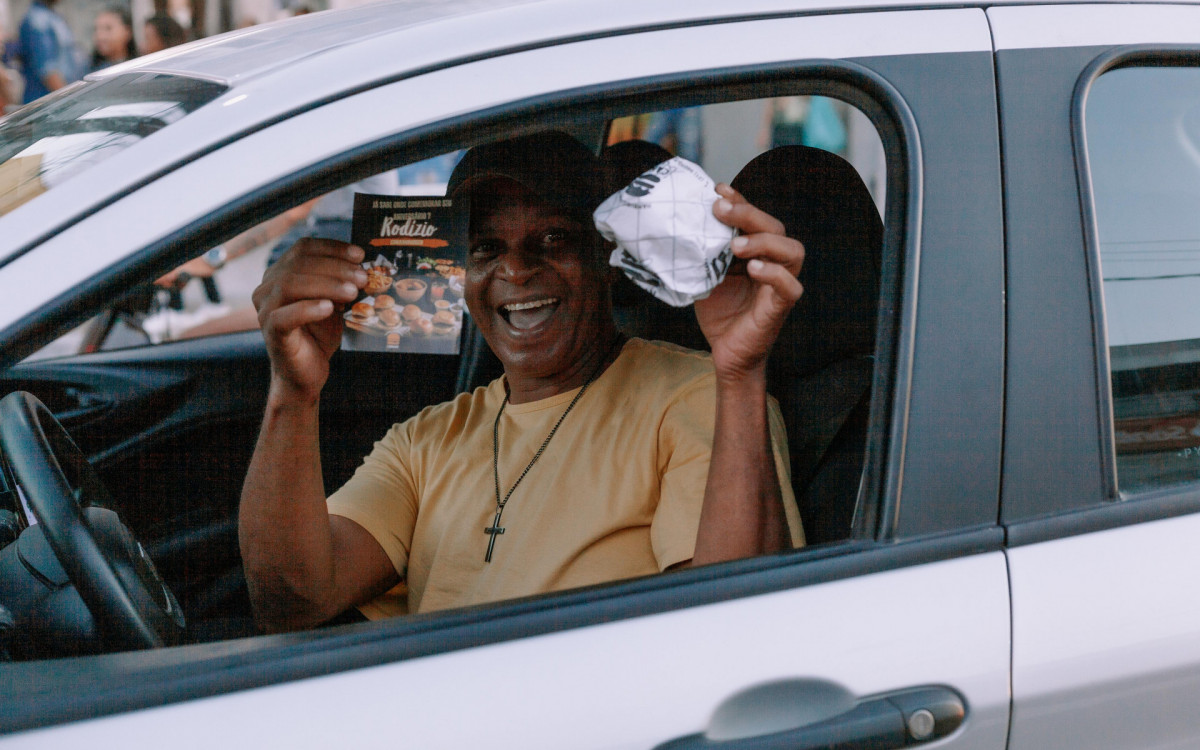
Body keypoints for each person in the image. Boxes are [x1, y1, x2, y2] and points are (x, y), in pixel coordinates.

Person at [240, 132, 806, 631]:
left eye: (553, 239)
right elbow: (293, 603)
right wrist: (293, 395)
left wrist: (741, 372)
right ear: (459, 275)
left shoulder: (698, 396)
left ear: (603, 254)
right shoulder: (426, 439)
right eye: (487, 248)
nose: (515, 270)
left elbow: (730, 631)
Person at [17, 0, 82, 103]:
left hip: (59, 100)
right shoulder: (37, 20)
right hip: (49, 104)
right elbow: (48, 71)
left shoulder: (52, 15)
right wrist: (71, 101)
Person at [90, 6, 135, 72]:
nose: (100, 36)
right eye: (96, 29)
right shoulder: (89, 73)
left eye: (108, 28)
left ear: (127, 31)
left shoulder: (141, 66)